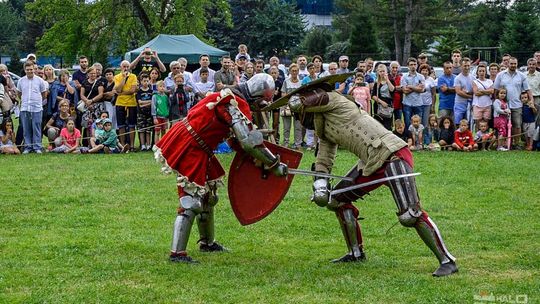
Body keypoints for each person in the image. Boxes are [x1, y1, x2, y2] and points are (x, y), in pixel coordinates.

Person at [285, 86, 458, 277]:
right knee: (336, 200)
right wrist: (320, 185)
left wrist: (298, 101)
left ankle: (447, 261)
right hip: (370, 162)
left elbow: (324, 97)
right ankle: (355, 252)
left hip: (392, 154)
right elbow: (324, 160)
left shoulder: (337, 101)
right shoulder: (324, 127)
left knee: (410, 214)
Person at [152, 74, 287, 263]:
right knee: (191, 199)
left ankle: (207, 243)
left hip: (200, 145)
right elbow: (248, 142)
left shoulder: (230, 96)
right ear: (257, 97)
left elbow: (237, 141)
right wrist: (274, 163)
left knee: (209, 196)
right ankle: (177, 253)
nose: (262, 106)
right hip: (191, 144)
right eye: (263, 101)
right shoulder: (233, 102)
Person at [494, 57, 533, 149]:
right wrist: (497, 102)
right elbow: (495, 89)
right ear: (508, 64)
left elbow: (528, 89)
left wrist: (530, 100)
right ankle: (503, 144)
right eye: (511, 64)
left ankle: (516, 143)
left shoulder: (522, 76)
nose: (513, 65)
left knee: (517, 125)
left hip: (517, 104)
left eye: (515, 64)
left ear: (517, 64)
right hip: (503, 105)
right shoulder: (500, 75)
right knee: (502, 125)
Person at [17, 61, 48, 154]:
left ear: (34, 69)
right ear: (25, 70)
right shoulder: (20, 81)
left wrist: (37, 100)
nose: (30, 71)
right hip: (25, 107)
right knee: (26, 128)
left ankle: (37, 147)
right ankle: (28, 147)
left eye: (31, 69)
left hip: (37, 108)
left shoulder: (40, 81)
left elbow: (44, 94)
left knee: (36, 127)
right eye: (28, 70)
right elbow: (19, 94)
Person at [114, 60, 138, 148]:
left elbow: (132, 91)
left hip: (131, 104)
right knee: (121, 125)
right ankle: (123, 145)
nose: (126, 68)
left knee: (132, 125)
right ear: (121, 67)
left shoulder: (133, 76)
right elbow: (118, 89)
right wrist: (123, 78)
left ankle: (131, 145)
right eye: (124, 66)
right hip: (120, 103)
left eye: (127, 66)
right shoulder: (117, 77)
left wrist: (121, 93)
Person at [280, 63, 302, 149]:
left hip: (298, 107)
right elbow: (283, 94)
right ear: (289, 71)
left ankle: (298, 144)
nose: (294, 72)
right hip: (287, 106)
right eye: (292, 71)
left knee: (298, 127)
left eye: (296, 70)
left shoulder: (301, 82)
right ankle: (286, 143)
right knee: (286, 127)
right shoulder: (286, 81)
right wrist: (288, 104)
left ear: (298, 72)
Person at [401, 58, 425, 128]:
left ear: (417, 65)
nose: (413, 66)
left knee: (419, 125)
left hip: (418, 103)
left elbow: (422, 89)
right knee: (408, 124)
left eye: (415, 64)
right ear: (408, 66)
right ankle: (409, 138)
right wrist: (416, 87)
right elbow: (405, 91)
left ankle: (418, 138)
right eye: (411, 65)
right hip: (407, 104)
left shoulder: (421, 76)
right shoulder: (404, 77)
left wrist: (410, 86)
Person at [372, 65, 395, 130]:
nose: (382, 73)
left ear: (386, 71)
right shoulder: (377, 83)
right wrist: (381, 102)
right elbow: (373, 95)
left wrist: (387, 80)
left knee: (387, 127)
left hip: (388, 105)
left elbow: (392, 90)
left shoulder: (391, 80)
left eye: (383, 71)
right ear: (378, 72)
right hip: (379, 105)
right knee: (378, 127)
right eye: (380, 71)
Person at [472, 64, 494, 131]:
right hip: (477, 105)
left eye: (483, 71)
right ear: (477, 72)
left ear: (485, 72)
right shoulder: (475, 82)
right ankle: (478, 139)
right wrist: (487, 91)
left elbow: (492, 91)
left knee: (486, 123)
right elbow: (476, 93)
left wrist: (482, 91)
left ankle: (486, 139)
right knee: (478, 123)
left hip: (487, 105)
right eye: (480, 71)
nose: (481, 73)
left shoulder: (489, 81)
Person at [453, 58, 474, 127]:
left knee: (469, 123)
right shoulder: (458, 78)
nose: (467, 67)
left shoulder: (473, 77)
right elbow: (458, 92)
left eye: (468, 66)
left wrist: (466, 93)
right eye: (465, 66)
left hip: (470, 104)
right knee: (458, 123)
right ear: (461, 66)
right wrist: (470, 96)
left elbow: (474, 90)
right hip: (460, 104)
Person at [136, 73, 153, 151]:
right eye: (144, 81)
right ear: (141, 82)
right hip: (141, 113)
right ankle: (143, 145)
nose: (146, 82)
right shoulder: (139, 92)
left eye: (147, 81)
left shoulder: (151, 91)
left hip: (149, 113)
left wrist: (145, 103)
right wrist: (149, 102)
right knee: (141, 130)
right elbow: (140, 103)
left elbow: (153, 101)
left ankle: (148, 145)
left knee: (148, 130)